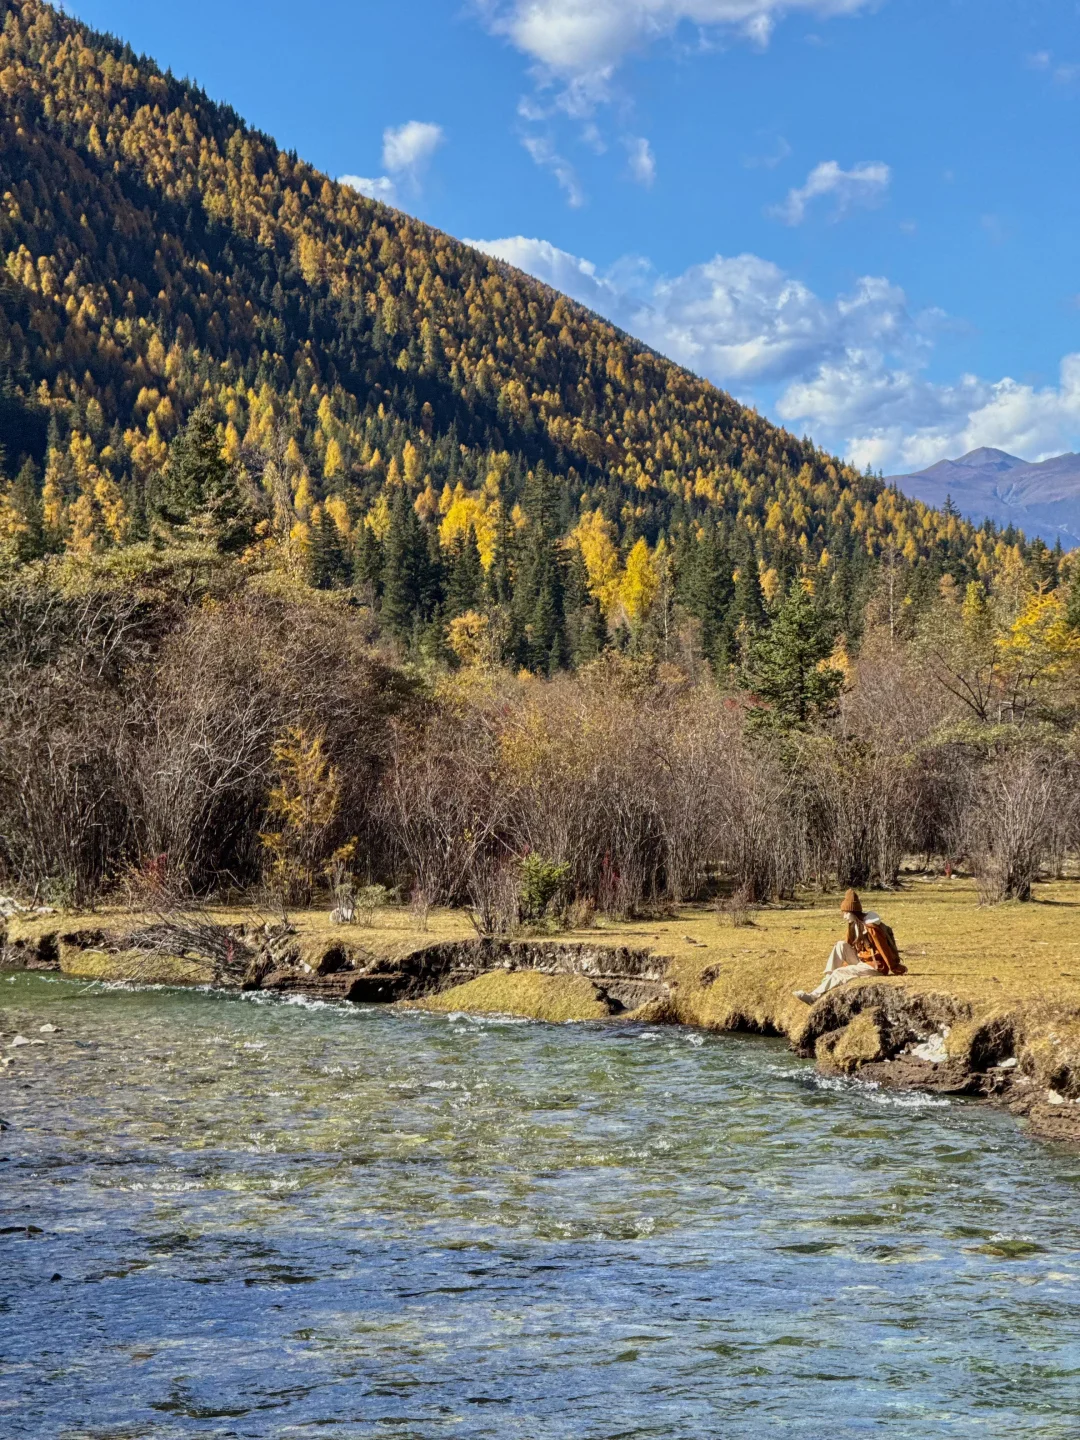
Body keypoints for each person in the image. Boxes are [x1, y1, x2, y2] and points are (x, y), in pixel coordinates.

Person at [795, 889, 906, 1004]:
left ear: (853, 912)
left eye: (846, 913)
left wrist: (894, 967)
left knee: (839, 973)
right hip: (862, 963)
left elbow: (884, 949)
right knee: (840, 945)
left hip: (875, 968)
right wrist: (845, 966)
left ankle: (813, 997)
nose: (844, 916)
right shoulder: (854, 925)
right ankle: (828, 978)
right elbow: (847, 945)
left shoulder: (871, 928)